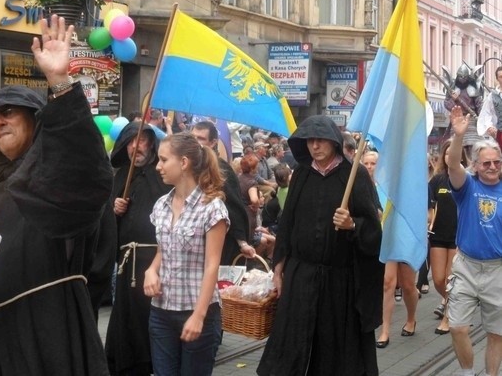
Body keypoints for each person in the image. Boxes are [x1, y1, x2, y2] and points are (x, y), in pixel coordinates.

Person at [0, 15, 113, 375]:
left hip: (51, 327)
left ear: (35, 119)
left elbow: (82, 168)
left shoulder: (56, 166)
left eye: (8, 112)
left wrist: (59, 81)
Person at [257, 115, 383, 375]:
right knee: (292, 340)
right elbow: (288, 221)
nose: (315, 146)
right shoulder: (302, 173)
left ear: (334, 141)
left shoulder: (353, 174)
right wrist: (279, 267)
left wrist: (352, 225)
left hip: (339, 280)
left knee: (334, 346)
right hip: (301, 275)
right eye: (309, 140)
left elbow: (373, 229)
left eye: (321, 140)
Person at [144, 133, 229, 376]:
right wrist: (151, 270)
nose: (158, 166)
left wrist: (199, 316)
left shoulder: (211, 207)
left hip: (198, 310)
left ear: (183, 163)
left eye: (163, 160)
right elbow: (164, 249)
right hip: (161, 312)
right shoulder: (161, 204)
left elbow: (212, 265)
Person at [105, 121, 171, 376]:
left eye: (142, 141)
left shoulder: (162, 173)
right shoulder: (122, 174)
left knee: (151, 316)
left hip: (155, 260)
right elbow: (108, 219)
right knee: (126, 317)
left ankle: (154, 364)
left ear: (151, 143)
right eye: (131, 142)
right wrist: (115, 209)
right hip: (127, 261)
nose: (136, 147)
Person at [447, 105, 502, 376]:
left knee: (497, 333)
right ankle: (467, 373)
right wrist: (458, 136)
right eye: (486, 163)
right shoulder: (467, 186)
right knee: (457, 327)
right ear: (476, 166)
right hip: (467, 267)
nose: (492, 167)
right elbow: (452, 164)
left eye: (497, 162)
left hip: (498, 270)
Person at [190, 121, 256, 263]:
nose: (195, 142)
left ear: (213, 142)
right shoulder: (185, 165)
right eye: (193, 137)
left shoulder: (221, 169)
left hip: (217, 240)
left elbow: (234, 207)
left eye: (200, 139)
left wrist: (242, 242)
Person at [428, 139, 458, 335]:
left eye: (452, 153)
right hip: (438, 235)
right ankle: (453, 303)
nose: (449, 157)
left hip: (457, 237)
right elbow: (429, 208)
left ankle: (448, 317)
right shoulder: (436, 180)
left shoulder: (465, 179)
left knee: (450, 279)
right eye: (446, 153)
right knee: (438, 280)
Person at [443, 64, 483, 159]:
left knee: (473, 148)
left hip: (471, 120)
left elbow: (479, 105)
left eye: (464, 77)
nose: (462, 79)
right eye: (460, 76)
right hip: (457, 120)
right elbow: (447, 104)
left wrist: (481, 118)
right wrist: (454, 100)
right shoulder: (453, 88)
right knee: (456, 146)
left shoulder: (473, 89)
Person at [477, 65, 502, 149]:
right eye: (501, 77)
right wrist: (489, 126)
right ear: (497, 79)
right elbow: (486, 112)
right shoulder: (492, 96)